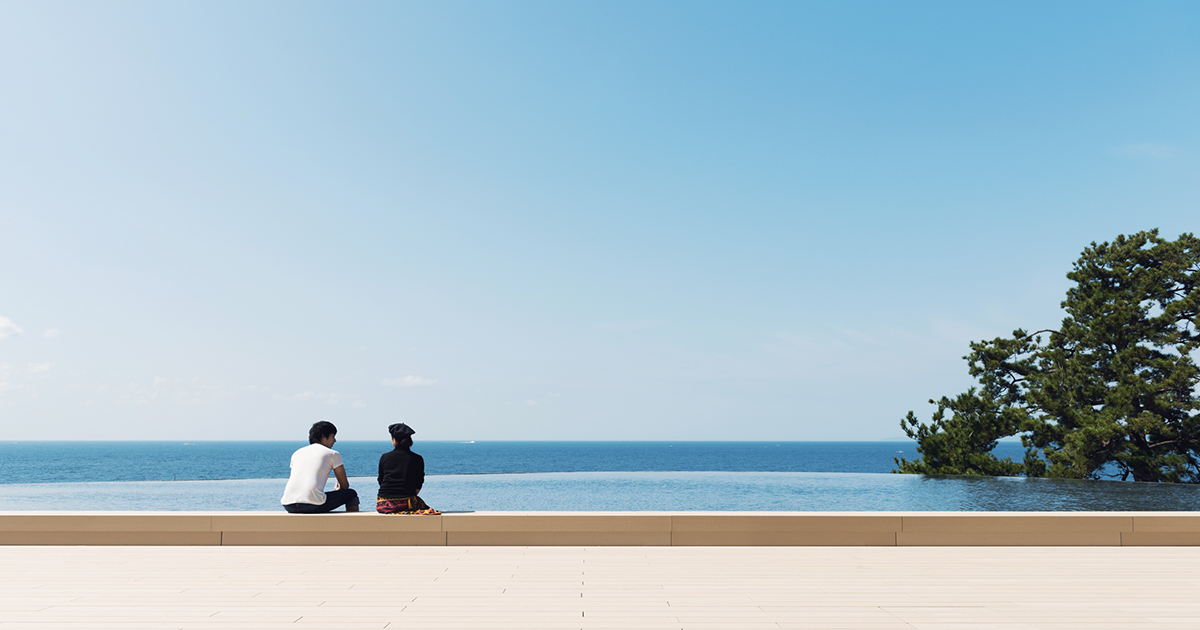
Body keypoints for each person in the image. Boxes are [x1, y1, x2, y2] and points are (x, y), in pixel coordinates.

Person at [280, 420, 360, 513]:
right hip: (312, 505)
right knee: (351, 494)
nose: (335, 440)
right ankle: (352, 526)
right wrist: (338, 491)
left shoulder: (297, 453)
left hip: (288, 504)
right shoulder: (332, 454)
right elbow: (345, 486)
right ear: (323, 437)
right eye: (333, 436)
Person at [376, 422, 440, 515]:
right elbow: (418, 483)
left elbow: (381, 480)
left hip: (382, 504)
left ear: (394, 440)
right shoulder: (417, 458)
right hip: (407, 503)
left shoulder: (384, 457)